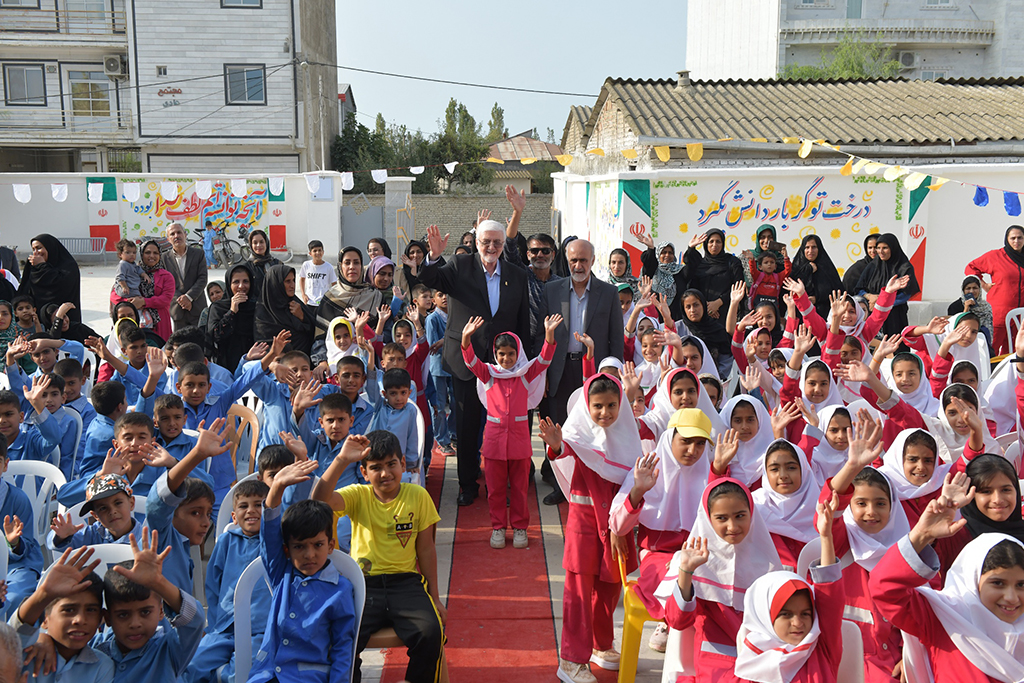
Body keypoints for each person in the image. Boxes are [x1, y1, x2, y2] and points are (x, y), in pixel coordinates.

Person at [312, 431, 446, 683]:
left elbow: (426, 550)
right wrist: (341, 459)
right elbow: (318, 499)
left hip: (406, 584)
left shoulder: (418, 496)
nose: (385, 473)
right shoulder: (357, 495)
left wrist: (435, 599)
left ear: (403, 464)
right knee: (341, 638)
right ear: (364, 473)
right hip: (364, 585)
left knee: (431, 632)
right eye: (375, 467)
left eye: (391, 464)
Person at [419, 221, 531, 507]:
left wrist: (522, 362)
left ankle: (505, 481)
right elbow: (432, 280)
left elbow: (520, 320)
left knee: (505, 426)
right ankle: (467, 484)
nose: (491, 248)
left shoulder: (517, 275)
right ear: (476, 243)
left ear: (503, 245)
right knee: (467, 426)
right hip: (466, 360)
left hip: (503, 363)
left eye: (496, 242)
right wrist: (433, 256)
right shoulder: (459, 265)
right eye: (486, 242)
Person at [538, 374, 640, 682]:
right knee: (579, 592)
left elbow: (634, 479)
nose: (605, 413)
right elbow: (564, 450)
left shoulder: (627, 437)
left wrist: (622, 528)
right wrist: (556, 447)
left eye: (611, 405)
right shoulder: (579, 433)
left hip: (616, 525)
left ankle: (600, 644)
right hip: (584, 522)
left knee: (608, 589)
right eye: (598, 406)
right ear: (587, 405)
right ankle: (570, 659)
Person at [869, 496, 1024, 683]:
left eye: (1021, 585)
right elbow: (885, 588)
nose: (1011, 597)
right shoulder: (942, 617)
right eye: (998, 583)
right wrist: (921, 534)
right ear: (972, 580)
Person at [248, 463, 357, 683]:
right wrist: (277, 487)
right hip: (266, 675)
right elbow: (269, 536)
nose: (309, 554)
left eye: (317, 545)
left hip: (309, 678)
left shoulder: (341, 589)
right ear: (287, 550)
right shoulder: (282, 574)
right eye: (299, 546)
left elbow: (342, 647)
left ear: (331, 546)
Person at [537, 238, 624, 505]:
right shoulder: (551, 290)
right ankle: (559, 483)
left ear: (593, 261)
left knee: (591, 426)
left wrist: (612, 376)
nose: (578, 265)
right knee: (558, 425)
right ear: (566, 259)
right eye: (573, 260)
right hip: (559, 369)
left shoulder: (608, 293)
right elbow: (540, 335)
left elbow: (616, 339)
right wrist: (543, 374)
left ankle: (591, 481)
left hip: (593, 370)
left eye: (583, 260)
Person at [463, 313, 559, 549]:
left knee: (519, 489)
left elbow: (544, 360)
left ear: (518, 354)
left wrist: (548, 334)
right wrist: (465, 339)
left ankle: (519, 528)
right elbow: (470, 361)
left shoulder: (524, 374)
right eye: (501, 354)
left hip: (519, 443)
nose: (506, 358)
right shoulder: (488, 373)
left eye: (511, 353)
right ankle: (497, 527)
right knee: (494, 489)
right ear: (495, 355)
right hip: (494, 443)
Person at [186, 479, 271, 683]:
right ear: (234, 516)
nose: (251, 510)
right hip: (224, 627)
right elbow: (213, 586)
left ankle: (219, 675)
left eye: (259, 504)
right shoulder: (226, 541)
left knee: (240, 674)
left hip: (259, 630)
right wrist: (214, 625)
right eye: (243, 506)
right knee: (191, 666)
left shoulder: (274, 542)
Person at [8, 546, 113, 682]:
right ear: (45, 619)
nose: (80, 620)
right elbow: (11, 637)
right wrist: (42, 595)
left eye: (91, 610)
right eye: (69, 610)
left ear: (101, 618)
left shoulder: (102, 667)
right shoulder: (25, 653)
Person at [965, 224, 1024, 354]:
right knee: (991, 349)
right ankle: (989, 373)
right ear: (1007, 239)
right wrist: (983, 285)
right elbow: (971, 268)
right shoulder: (996, 256)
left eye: (1020, 238)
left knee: (1016, 351)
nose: (1016, 241)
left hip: (1020, 316)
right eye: (1013, 238)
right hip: (999, 313)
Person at [856, 232, 920, 336]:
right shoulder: (873, 266)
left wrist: (883, 302)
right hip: (874, 315)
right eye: (878, 248)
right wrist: (870, 296)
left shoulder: (904, 267)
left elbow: (906, 294)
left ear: (893, 248)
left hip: (895, 316)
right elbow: (859, 289)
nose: (880, 252)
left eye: (885, 248)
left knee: (895, 346)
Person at [18, 233, 82, 324]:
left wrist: (42, 266)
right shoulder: (33, 267)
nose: (36, 252)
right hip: (38, 321)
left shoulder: (68, 266)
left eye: (39, 248)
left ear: (50, 248)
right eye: (33, 249)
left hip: (65, 321)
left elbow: (61, 286)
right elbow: (24, 289)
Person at [254, 265, 315, 356]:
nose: (292, 285)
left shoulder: (296, 304)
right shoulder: (263, 313)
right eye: (287, 281)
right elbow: (264, 346)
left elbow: (314, 332)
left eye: (293, 280)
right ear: (275, 283)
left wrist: (302, 317)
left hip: (304, 363)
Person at [685, 229, 744, 319]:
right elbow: (692, 287)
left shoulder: (732, 262)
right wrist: (706, 307)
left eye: (718, 241)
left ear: (723, 244)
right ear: (706, 244)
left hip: (727, 312)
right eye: (711, 241)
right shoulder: (700, 264)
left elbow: (738, 287)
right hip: (703, 313)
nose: (714, 245)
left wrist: (718, 303)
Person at [160, 222, 208, 331]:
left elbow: (202, 279)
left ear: (185, 235)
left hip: (196, 307)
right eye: (172, 234)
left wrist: (189, 297)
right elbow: (165, 284)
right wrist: (181, 300)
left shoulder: (198, 254)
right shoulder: (163, 258)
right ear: (168, 239)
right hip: (177, 310)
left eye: (179, 232)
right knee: (179, 344)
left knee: (199, 343)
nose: (176, 236)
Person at [638, 233, 691, 319]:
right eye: (663, 252)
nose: (667, 255)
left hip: (677, 318)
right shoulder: (653, 270)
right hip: (655, 317)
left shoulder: (680, 271)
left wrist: (691, 248)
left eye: (670, 253)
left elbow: (691, 268)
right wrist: (651, 248)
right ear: (658, 254)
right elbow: (649, 263)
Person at [791, 234, 844, 319]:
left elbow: (838, 291)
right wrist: (808, 270)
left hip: (824, 315)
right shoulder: (796, 267)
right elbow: (790, 287)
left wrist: (818, 298)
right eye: (807, 247)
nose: (810, 251)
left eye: (814, 247)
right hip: (800, 316)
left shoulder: (827, 267)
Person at [947, 276, 993, 347]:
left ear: (979, 290)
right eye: (968, 288)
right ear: (963, 291)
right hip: (962, 342)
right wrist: (966, 309)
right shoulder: (955, 306)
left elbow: (989, 327)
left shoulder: (986, 306)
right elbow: (954, 328)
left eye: (975, 288)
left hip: (982, 341)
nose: (972, 291)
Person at [299, 240, 337, 306]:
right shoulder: (306, 265)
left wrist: (331, 298)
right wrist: (303, 294)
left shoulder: (328, 267)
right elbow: (302, 279)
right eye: (315, 251)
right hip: (309, 301)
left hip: (323, 302)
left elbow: (334, 284)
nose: (318, 253)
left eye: (320, 250)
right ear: (310, 253)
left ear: (323, 252)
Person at [113, 239, 152, 304]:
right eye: (128, 252)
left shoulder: (133, 264)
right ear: (120, 254)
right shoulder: (123, 264)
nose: (131, 255)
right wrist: (124, 286)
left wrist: (145, 275)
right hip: (127, 289)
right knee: (134, 302)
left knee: (138, 300)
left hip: (134, 288)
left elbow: (139, 271)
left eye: (134, 252)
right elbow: (119, 277)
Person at [246, 228, 281, 296]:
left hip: (275, 303)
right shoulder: (247, 267)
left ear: (266, 243)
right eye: (255, 243)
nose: (258, 245)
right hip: (256, 304)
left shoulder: (277, 264)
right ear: (251, 245)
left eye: (261, 242)